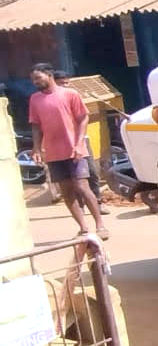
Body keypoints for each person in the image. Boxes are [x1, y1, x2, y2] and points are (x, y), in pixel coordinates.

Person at [28, 63, 109, 240]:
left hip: (75, 150)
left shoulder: (70, 94)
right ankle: (83, 227)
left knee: (82, 187)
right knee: (66, 191)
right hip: (53, 152)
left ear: (49, 75)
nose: (35, 82)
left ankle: (100, 224)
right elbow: (36, 126)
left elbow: (83, 118)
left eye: (38, 78)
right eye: (33, 80)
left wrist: (79, 143)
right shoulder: (34, 99)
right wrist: (36, 148)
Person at [52, 70, 109, 214]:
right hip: (65, 144)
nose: (65, 85)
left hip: (82, 140)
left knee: (92, 172)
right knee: (74, 178)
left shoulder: (73, 96)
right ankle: (81, 206)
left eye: (66, 82)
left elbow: (84, 117)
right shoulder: (52, 101)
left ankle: (98, 202)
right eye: (61, 83)